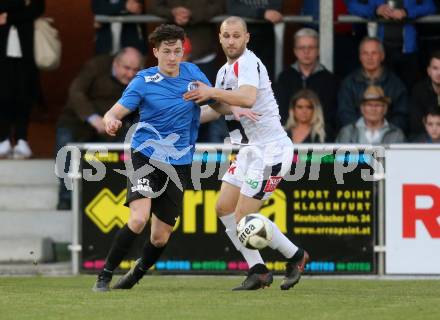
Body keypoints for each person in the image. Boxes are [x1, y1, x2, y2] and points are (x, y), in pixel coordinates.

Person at [92, 24, 255, 292]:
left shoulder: (193, 74)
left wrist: (234, 109)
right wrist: (111, 122)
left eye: (177, 51)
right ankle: (104, 276)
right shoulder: (143, 81)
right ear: (155, 52)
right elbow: (114, 113)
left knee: (160, 236)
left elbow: (214, 104)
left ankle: (135, 275)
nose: (172, 57)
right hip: (145, 154)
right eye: (166, 51)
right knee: (138, 219)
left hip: (179, 163)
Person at [184, 16, 309, 291]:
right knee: (223, 208)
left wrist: (209, 91)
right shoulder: (223, 72)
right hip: (247, 152)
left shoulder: (248, 63)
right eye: (226, 35)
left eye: (236, 35)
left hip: (270, 151)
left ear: (247, 38)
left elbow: (247, 98)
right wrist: (184, 121)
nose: (231, 40)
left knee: (244, 218)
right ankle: (259, 270)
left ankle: (296, 256)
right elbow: (218, 109)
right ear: (219, 37)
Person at [55, 47, 143, 210]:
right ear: (116, 63)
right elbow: (76, 92)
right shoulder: (96, 66)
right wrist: (93, 118)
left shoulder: (141, 79)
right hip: (78, 121)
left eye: (135, 69)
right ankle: (66, 200)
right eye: (126, 68)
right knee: (66, 150)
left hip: (114, 128)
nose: (131, 74)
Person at [149, 0, 228, 142]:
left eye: (181, 55)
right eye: (169, 53)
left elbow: (215, 110)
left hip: (204, 49)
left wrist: (233, 107)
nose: (175, 60)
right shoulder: (150, 81)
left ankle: (213, 154)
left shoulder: (200, 78)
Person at [345, 0, 436, 90]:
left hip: (408, 50)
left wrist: (407, 12)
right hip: (381, 52)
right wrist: (375, 10)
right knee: (382, 91)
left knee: (409, 89)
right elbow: (352, 6)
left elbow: (430, 7)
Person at [274, 28, 339, 138]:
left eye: (311, 47)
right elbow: (280, 112)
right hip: (290, 136)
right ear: (295, 51)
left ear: (318, 50)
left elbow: (332, 115)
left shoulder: (331, 80)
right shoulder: (284, 78)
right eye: (301, 48)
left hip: (321, 135)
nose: (306, 52)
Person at [0, 0, 45, 159]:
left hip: (26, 50)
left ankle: (21, 139)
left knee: (24, 94)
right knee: (3, 94)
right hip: (2, 49)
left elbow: (37, 8)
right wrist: (21, 6)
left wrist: (9, 16)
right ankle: (3, 138)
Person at [337, 36, 409, 133]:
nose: (369, 57)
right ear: (360, 57)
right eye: (365, 53)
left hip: (388, 139)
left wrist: (385, 132)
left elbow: (401, 115)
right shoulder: (349, 83)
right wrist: (362, 133)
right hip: (357, 138)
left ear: (382, 56)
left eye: (374, 53)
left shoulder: (395, 84)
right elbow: (345, 113)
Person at [226, 0, 284, 81]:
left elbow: (275, 9)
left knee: (266, 80)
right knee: (241, 80)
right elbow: (233, 8)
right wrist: (262, 13)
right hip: (241, 38)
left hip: (267, 37)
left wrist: (259, 13)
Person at [336, 85, 406, 143]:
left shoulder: (396, 134)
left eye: (378, 105)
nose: (373, 109)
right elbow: (337, 157)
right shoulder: (348, 132)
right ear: (362, 108)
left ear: (385, 109)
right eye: (369, 105)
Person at [410, 50, 440, 138]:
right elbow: (415, 125)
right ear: (429, 71)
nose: (439, 73)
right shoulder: (419, 91)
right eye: (435, 68)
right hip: (424, 143)